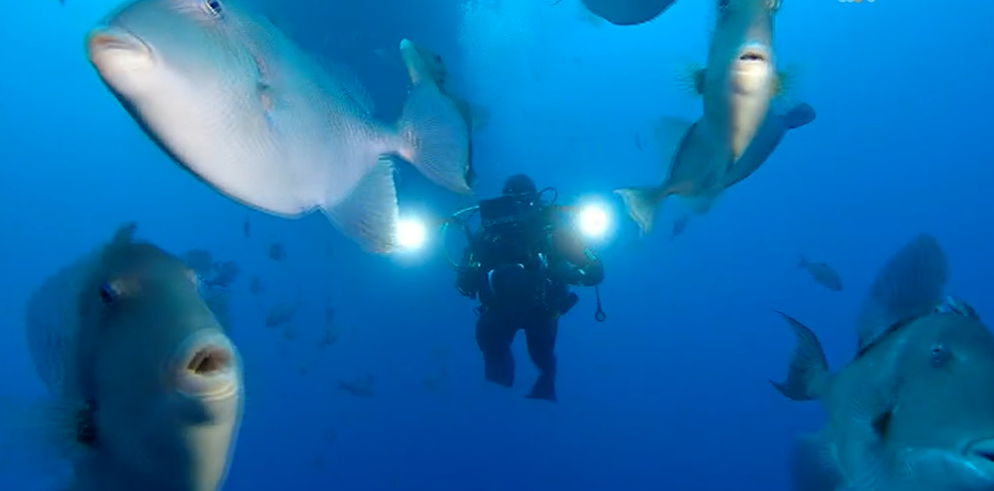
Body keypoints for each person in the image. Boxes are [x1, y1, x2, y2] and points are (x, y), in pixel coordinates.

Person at [455, 174, 605, 402]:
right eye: (511, 200)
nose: (517, 208)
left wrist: (575, 273)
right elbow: (465, 285)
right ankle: (496, 397)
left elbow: (594, 269)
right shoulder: (488, 237)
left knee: (541, 356)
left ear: (536, 201)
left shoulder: (550, 232)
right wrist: (470, 271)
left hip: (542, 309)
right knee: (491, 345)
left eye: (523, 200)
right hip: (499, 311)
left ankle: (543, 383)